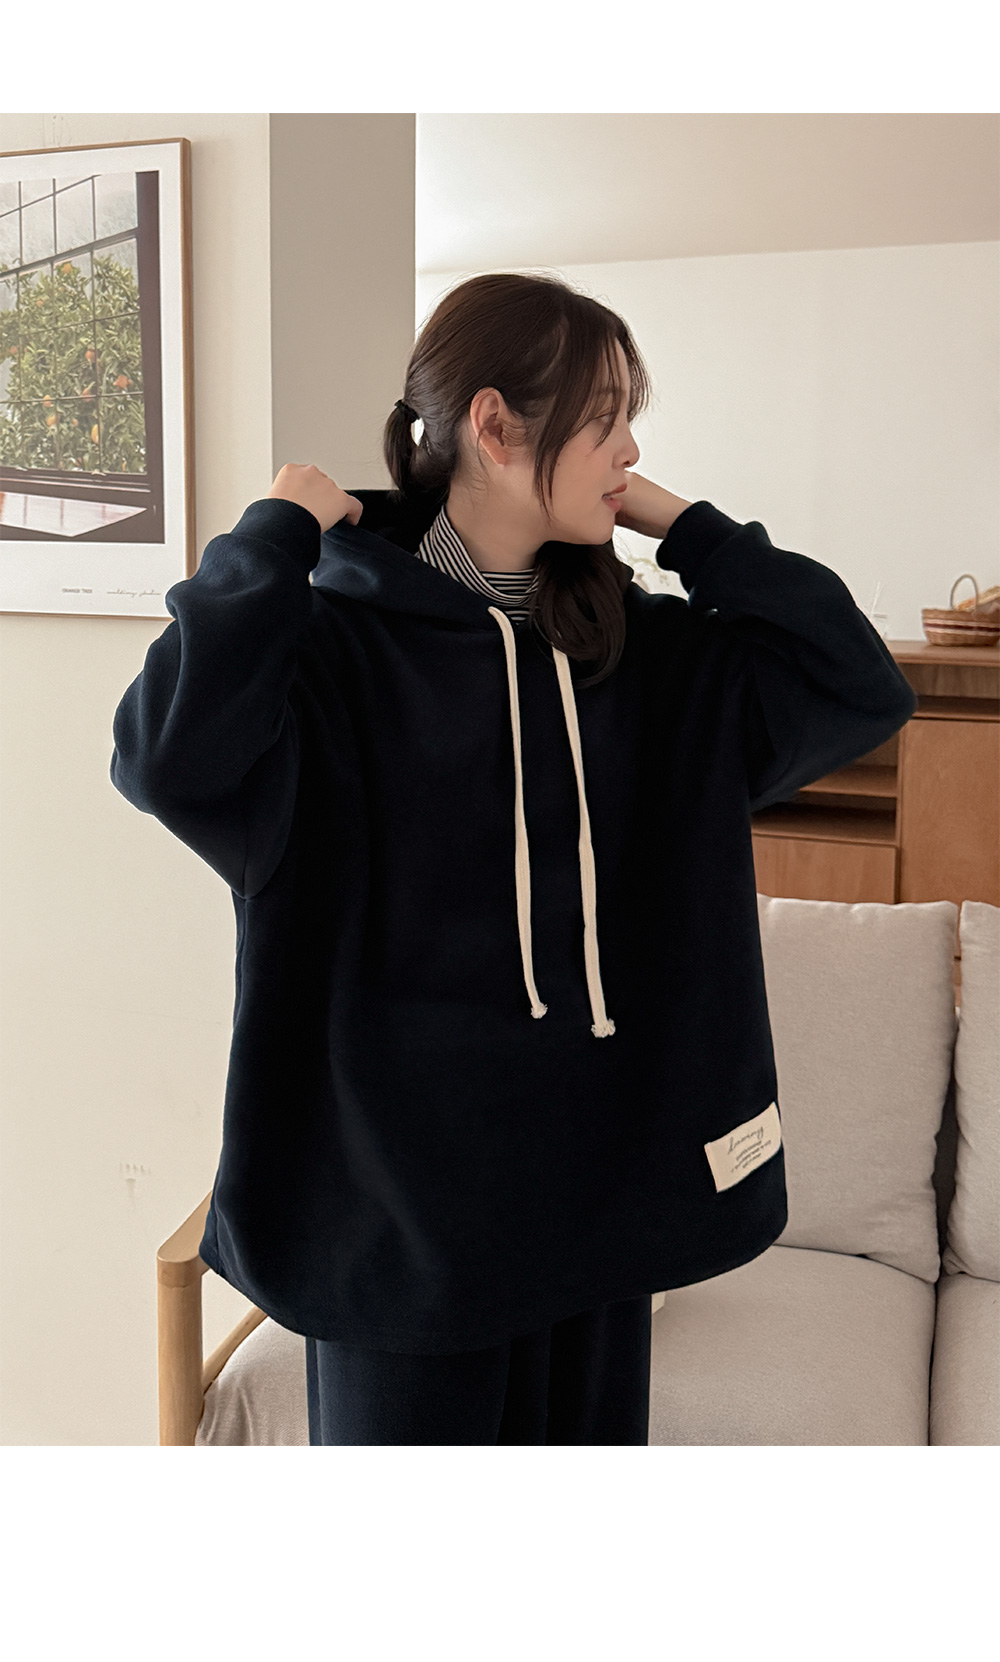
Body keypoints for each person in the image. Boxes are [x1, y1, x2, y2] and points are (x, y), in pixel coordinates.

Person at [109, 271, 917, 1444]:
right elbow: (166, 759)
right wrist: (268, 540)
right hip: (396, 1240)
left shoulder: (638, 653)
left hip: (604, 1211)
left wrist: (691, 530)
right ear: (494, 426)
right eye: (606, 420)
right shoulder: (330, 657)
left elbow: (858, 684)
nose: (631, 450)